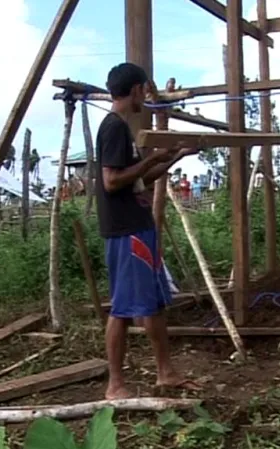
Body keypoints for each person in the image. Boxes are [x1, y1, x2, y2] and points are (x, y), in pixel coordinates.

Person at [95, 62, 198, 400]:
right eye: (144, 90)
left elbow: (137, 181)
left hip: (137, 227)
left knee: (152, 304)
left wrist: (174, 157)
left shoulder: (121, 128)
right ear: (137, 89)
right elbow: (112, 182)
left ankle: (165, 372)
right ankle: (115, 385)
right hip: (126, 231)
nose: (145, 97)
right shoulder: (113, 128)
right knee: (123, 308)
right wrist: (152, 159)